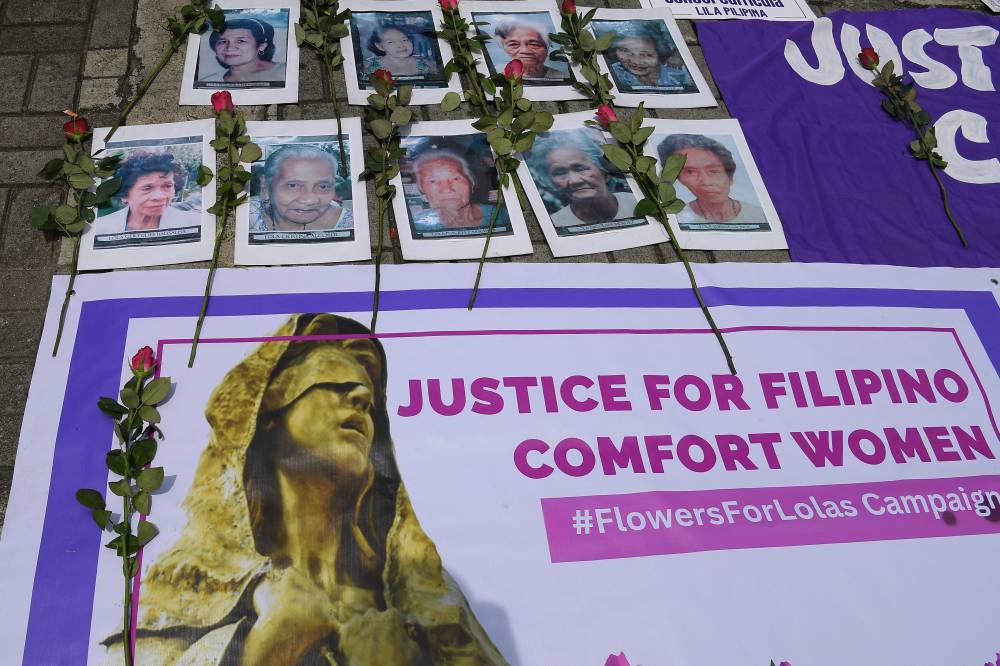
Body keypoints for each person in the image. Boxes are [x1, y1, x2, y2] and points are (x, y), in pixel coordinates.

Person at [104, 314, 507, 664]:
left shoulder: (428, 600)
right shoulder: (183, 607)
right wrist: (270, 651)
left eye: (368, 401)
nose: (363, 397)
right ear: (267, 417)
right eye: (334, 383)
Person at [527, 130, 639, 228]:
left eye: (580, 168)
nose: (574, 181)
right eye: (559, 173)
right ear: (552, 182)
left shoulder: (636, 204)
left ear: (605, 172)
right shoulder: (556, 223)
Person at [656, 134, 767, 226]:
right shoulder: (676, 219)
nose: (706, 182)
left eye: (714, 171)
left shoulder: (760, 215)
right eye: (690, 172)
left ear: (730, 176)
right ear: (679, 179)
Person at [92, 152, 200, 235]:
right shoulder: (100, 229)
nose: (160, 196)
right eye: (147, 188)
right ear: (125, 195)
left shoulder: (194, 223)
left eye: (167, 186)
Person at [252, 145, 353, 233]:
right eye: (293, 185)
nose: (310, 200)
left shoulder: (352, 223)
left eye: (322, 186)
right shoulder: (249, 214)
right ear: (265, 188)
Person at [410, 150, 508, 232]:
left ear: (472, 182)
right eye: (433, 181)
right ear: (422, 190)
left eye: (455, 178)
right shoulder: (417, 227)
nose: (447, 189)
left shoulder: (501, 216)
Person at [605, 27, 693, 91]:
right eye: (625, 51)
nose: (635, 61)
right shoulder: (611, 73)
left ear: (661, 55)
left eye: (647, 55)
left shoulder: (682, 78)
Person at [202, 17, 286, 84]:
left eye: (240, 41)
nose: (229, 48)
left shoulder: (285, 73)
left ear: (261, 46)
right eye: (223, 42)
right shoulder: (209, 81)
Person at [493, 19, 565, 80]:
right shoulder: (495, 74)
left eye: (534, 44)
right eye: (513, 44)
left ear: (547, 46)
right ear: (503, 47)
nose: (525, 51)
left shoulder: (561, 76)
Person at [365, 25, 439, 78]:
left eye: (404, 40)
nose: (401, 45)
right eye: (391, 42)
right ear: (380, 46)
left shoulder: (428, 65)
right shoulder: (370, 68)